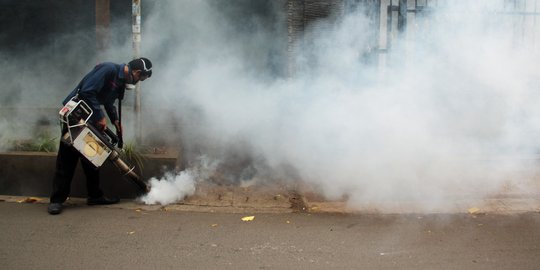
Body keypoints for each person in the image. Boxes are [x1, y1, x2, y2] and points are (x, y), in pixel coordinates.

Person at [48, 57, 153, 215]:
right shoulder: (108, 69)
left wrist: (116, 121)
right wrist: (100, 117)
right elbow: (87, 91)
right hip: (77, 116)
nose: (138, 81)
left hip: (91, 120)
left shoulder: (120, 82)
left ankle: (95, 196)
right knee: (67, 160)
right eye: (140, 78)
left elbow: (109, 103)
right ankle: (57, 200)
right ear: (136, 72)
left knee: (92, 159)